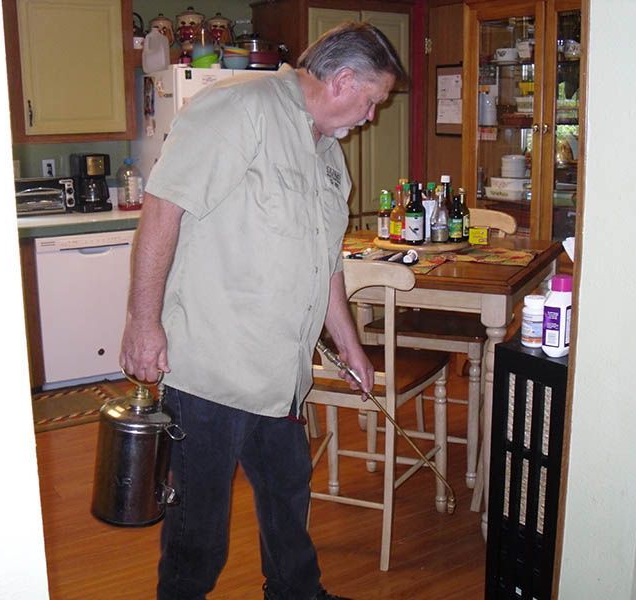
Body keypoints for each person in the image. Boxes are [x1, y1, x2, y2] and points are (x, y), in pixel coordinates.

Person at [119, 22, 407, 600]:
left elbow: (324, 260)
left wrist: (349, 343)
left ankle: (296, 593)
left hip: (280, 373)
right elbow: (162, 211)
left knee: (287, 497)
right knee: (198, 529)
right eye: (372, 100)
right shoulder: (239, 110)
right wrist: (142, 323)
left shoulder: (329, 155)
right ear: (342, 80)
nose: (371, 116)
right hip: (212, 368)